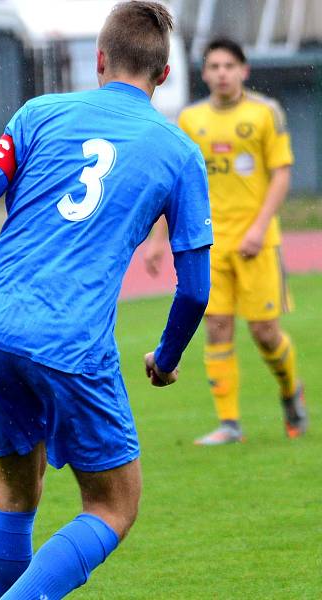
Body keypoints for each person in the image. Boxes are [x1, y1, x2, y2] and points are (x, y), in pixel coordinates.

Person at [0, 2, 212, 598]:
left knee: (15, 491)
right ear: (163, 77)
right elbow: (196, 291)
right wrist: (165, 358)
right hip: (71, 340)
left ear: (100, 59)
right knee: (114, 505)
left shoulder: (38, 112)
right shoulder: (179, 151)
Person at [145, 38, 307, 445]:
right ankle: (230, 424)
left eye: (229, 66)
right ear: (204, 73)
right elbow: (175, 184)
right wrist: (157, 238)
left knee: (265, 332)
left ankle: (290, 389)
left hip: (257, 242)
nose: (221, 73)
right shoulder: (190, 120)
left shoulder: (265, 113)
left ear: (244, 70)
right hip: (209, 242)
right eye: (214, 66)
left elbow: (281, 173)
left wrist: (258, 227)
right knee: (216, 326)